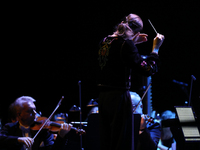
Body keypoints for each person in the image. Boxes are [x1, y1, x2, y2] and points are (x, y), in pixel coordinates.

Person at [97, 13, 164, 150]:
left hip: (103, 98)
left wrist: (132, 41)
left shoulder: (105, 40)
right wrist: (155, 48)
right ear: (136, 31)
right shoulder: (126, 45)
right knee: (121, 141)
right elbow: (148, 69)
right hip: (118, 99)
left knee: (107, 140)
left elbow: (118, 56)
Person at [0, 96, 72, 150]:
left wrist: (61, 136)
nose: (35, 113)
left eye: (35, 110)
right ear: (19, 114)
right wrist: (19, 139)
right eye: (30, 111)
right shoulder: (9, 127)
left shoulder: (44, 130)